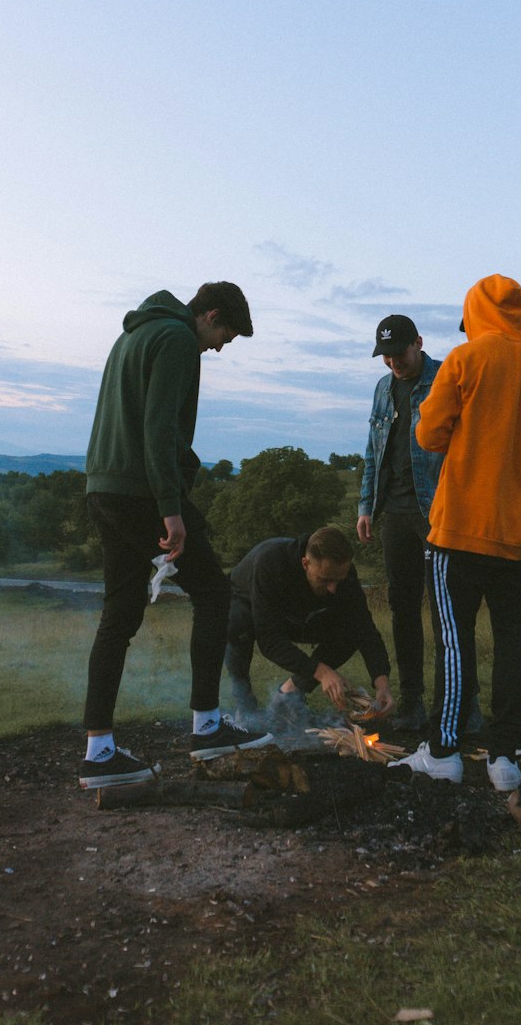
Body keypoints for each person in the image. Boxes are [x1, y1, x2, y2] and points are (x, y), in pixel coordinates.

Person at [390, 276, 521, 790]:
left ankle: (444, 752)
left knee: (455, 644)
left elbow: (428, 434)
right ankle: (505, 759)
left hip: (460, 531)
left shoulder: (465, 359)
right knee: (514, 643)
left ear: (475, 313)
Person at [79, 282, 273, 789]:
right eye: (224, 335)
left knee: (119, 613)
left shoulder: (134, 335)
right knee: (214, 593)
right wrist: (172, 511)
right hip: (142, 491)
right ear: (209, 315)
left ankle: (98, 751)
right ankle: (207, 726)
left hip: (103, 485)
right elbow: (159, 429)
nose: (219, 346)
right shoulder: (178, 340)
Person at [356, 314, 479, 733]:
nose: (393, 363)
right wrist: (365, 506)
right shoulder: (382, 389)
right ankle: (412, 703)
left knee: (449, 611)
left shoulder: (447, 378)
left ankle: (464, 706)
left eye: (399, 353)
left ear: (419, 343)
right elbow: (373, 452)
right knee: (402, 609)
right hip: (395, 514)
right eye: (386, 356)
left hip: (439, 513)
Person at [224, 525, 395, 726]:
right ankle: (245, 707)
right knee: (237, 623)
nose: (333, 588)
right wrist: (321, 672)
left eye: (338, 580)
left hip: (303, 616)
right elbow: (270, 640)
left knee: (351, 631)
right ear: (305, 563)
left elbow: (365, 629)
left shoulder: (343, 575)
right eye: (325, 579)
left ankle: (289, 694)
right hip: (250, 607)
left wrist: (382, 683)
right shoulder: (270, 563)